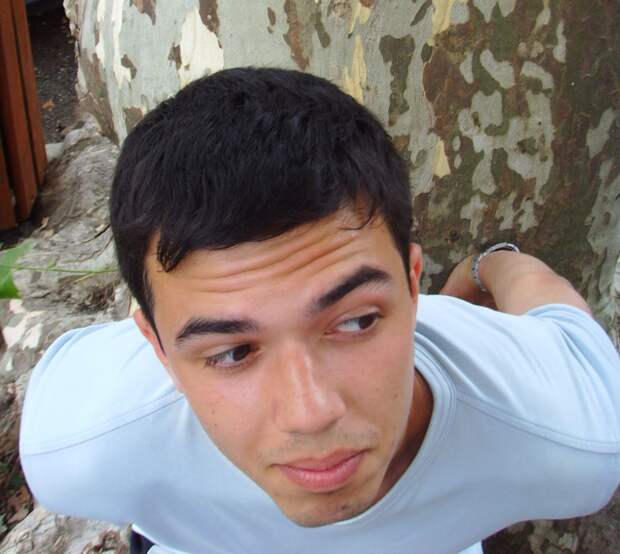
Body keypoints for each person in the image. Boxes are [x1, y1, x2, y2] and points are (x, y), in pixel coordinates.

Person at [19, 67, 620, 554]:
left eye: (356, 321)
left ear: (414, 287)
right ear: (156, 349)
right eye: (232, 352)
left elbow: (565, 327)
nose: (310, 415)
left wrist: (493, 264)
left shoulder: (569, 436)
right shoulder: (83, 447)